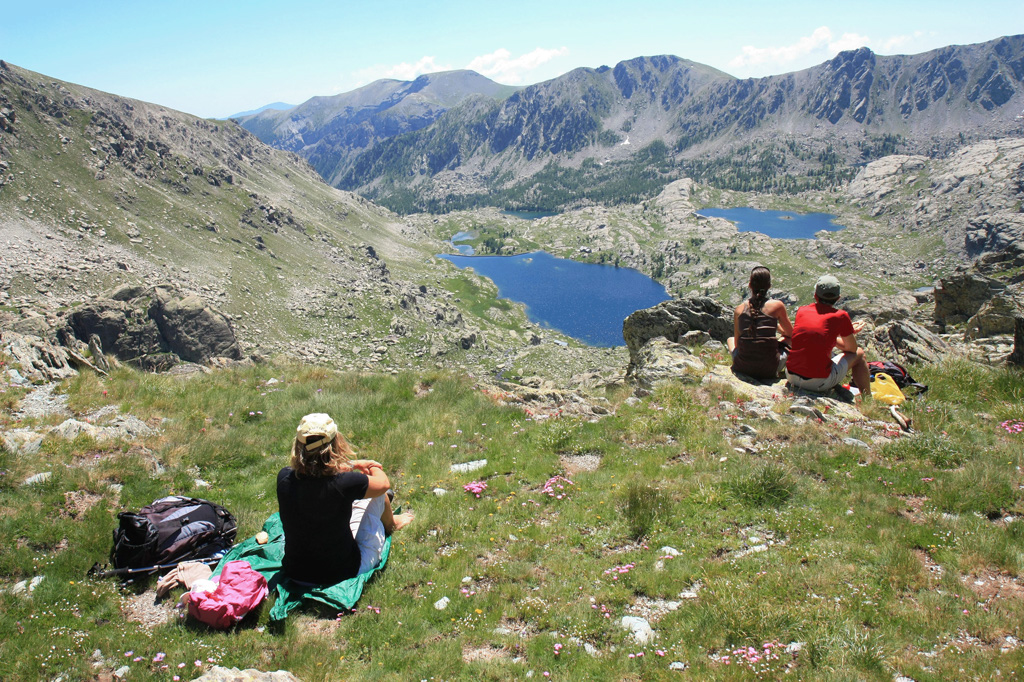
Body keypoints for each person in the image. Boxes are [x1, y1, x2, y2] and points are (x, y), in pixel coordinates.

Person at [276, 413, 413, 585]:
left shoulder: (284, 477)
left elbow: (318, 473)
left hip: (296, 572)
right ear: (335, 444)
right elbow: (383, 484)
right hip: (342, 572)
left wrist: (353, 464)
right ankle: (392, 523)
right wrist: (372, 465)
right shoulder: (344, 483)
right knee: (379, 495)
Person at [785, 275, 871, 398]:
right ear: (838, 298)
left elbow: (816, 335)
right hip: (818, 383)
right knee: (860, 354)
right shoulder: (841, 316)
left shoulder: (802, 310)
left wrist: (831, 335)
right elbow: (852, 349)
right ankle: (867, 398)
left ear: (815, 295)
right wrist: (847, 333)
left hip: (791, 376)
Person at [727, 266, 793, 382]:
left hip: (743, 367)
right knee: (788, 339)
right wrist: (777, 328)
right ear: (769, 286)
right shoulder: (777, 306)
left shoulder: (739, 310)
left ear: (749, 285)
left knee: (730, 339)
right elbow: (791, 334)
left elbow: (737, 344)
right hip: (770, 369)